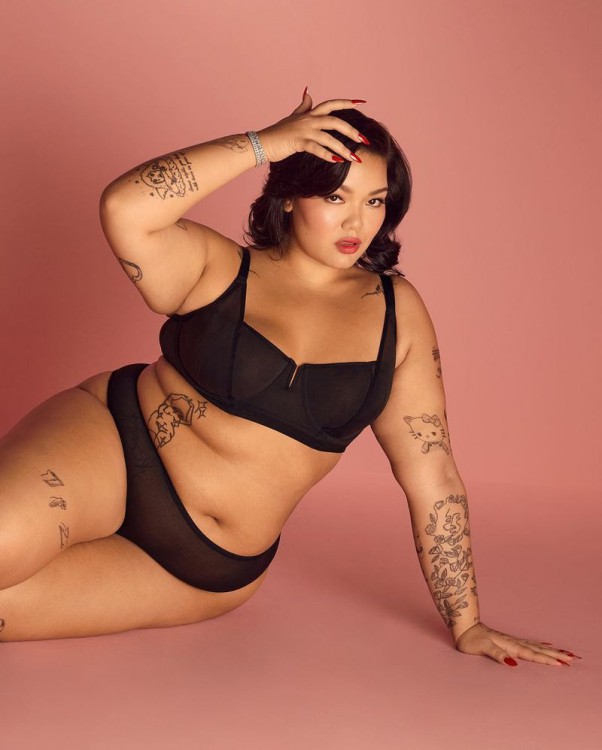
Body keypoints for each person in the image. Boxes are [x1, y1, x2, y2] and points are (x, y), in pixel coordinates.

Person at [0, 90, 579, 667]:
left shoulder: (397, 314)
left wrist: (466, 622)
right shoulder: (217, 267)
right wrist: (265, 144)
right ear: (287, 198)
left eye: (375, 201)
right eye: (335, 196)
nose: (357, 221)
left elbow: (433, 472)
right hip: (116, 444)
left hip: (204, 567)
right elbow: (126, 207)